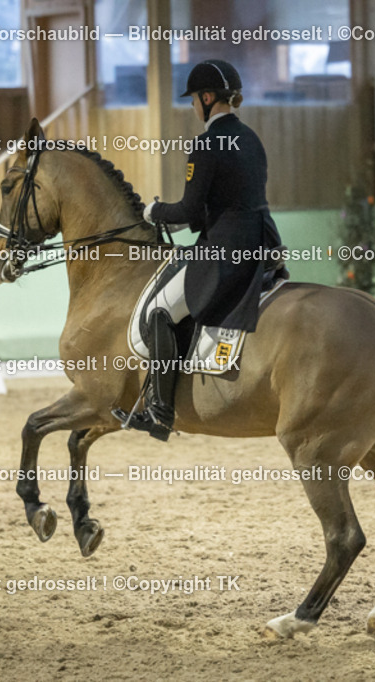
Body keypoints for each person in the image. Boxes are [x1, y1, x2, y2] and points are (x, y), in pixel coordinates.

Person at [115, 59, 284, 441]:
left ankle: (160, 411)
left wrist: (154, 211)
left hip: (224, 254)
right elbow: (228, 202)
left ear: (208, 98)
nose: (193, 106)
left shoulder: (206, 144)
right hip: (262, 245)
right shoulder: (251, 138)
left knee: (159, 310)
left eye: (194, 99)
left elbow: (191, 209)